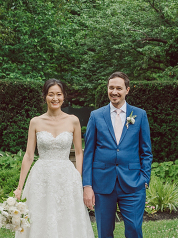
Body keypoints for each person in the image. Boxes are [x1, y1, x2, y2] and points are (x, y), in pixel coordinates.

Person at [14, 79, 95, 238]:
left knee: (66, 217)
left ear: (64, 97)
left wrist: (78, 177)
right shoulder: (35, 122)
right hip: (41, 177)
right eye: (51, 94)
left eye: (59, 94)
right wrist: (19, 187)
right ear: (45, 96)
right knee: (40, 216)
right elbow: (29, 155)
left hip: (66, 176)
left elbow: (79, 152)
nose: (55, 98)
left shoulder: (73, 120)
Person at [82, 72, 152, 238]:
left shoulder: (140, 115)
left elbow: (146, 151)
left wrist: (144, 179)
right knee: (104, 233)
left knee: (134, 229)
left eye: (118, 88)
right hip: (103, 184)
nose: (114, 92)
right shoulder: (96, 116)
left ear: (127, 90)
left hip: (133, 183)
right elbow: (89, 153)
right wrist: (87, 185)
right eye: (111, 88)